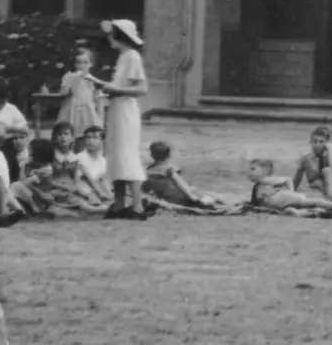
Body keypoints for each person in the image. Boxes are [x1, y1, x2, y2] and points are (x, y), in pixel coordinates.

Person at [89, 19, 150, 219]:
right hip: (117, 109)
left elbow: (141, 89)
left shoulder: (132, 56)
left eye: (112, 34)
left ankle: (138, 206)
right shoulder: (123, 57)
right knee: (116, 155)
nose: (109, 38)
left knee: (127, 155)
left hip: (126, 112)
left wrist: (115, 89)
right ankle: (119, 204)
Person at [140, 140, 236, 214]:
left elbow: (144, 188)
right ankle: (230, 207)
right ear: (169, 155)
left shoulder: (148, 170)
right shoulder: (169, 169)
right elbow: (181, 184)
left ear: (151, 154)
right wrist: (193, 197)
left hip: (166, 199)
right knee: (213, 200)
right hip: (180, 199)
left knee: (203, 195)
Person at [247, 157, 332, 217]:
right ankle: (323, 210)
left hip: (283, 199)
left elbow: (287, 180)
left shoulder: (263, 180)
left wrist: (291, 194)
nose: (249, 172)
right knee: (294, 209)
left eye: (253, 169)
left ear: (265, 172)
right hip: (283, 201)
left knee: (314, 202)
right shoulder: (261, 184)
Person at [55, 43, 104, 139]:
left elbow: (98, 99)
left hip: (87, 111)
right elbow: (62, 93)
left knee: (88, 136)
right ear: (74, 64)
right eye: (79, 63)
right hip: (72, 111)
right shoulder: (69, 76)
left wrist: (100, 119)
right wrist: (70, 80)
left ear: (91, 64)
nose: (82, 66)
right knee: (70, 134)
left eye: (85, 63)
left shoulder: (92, 80)